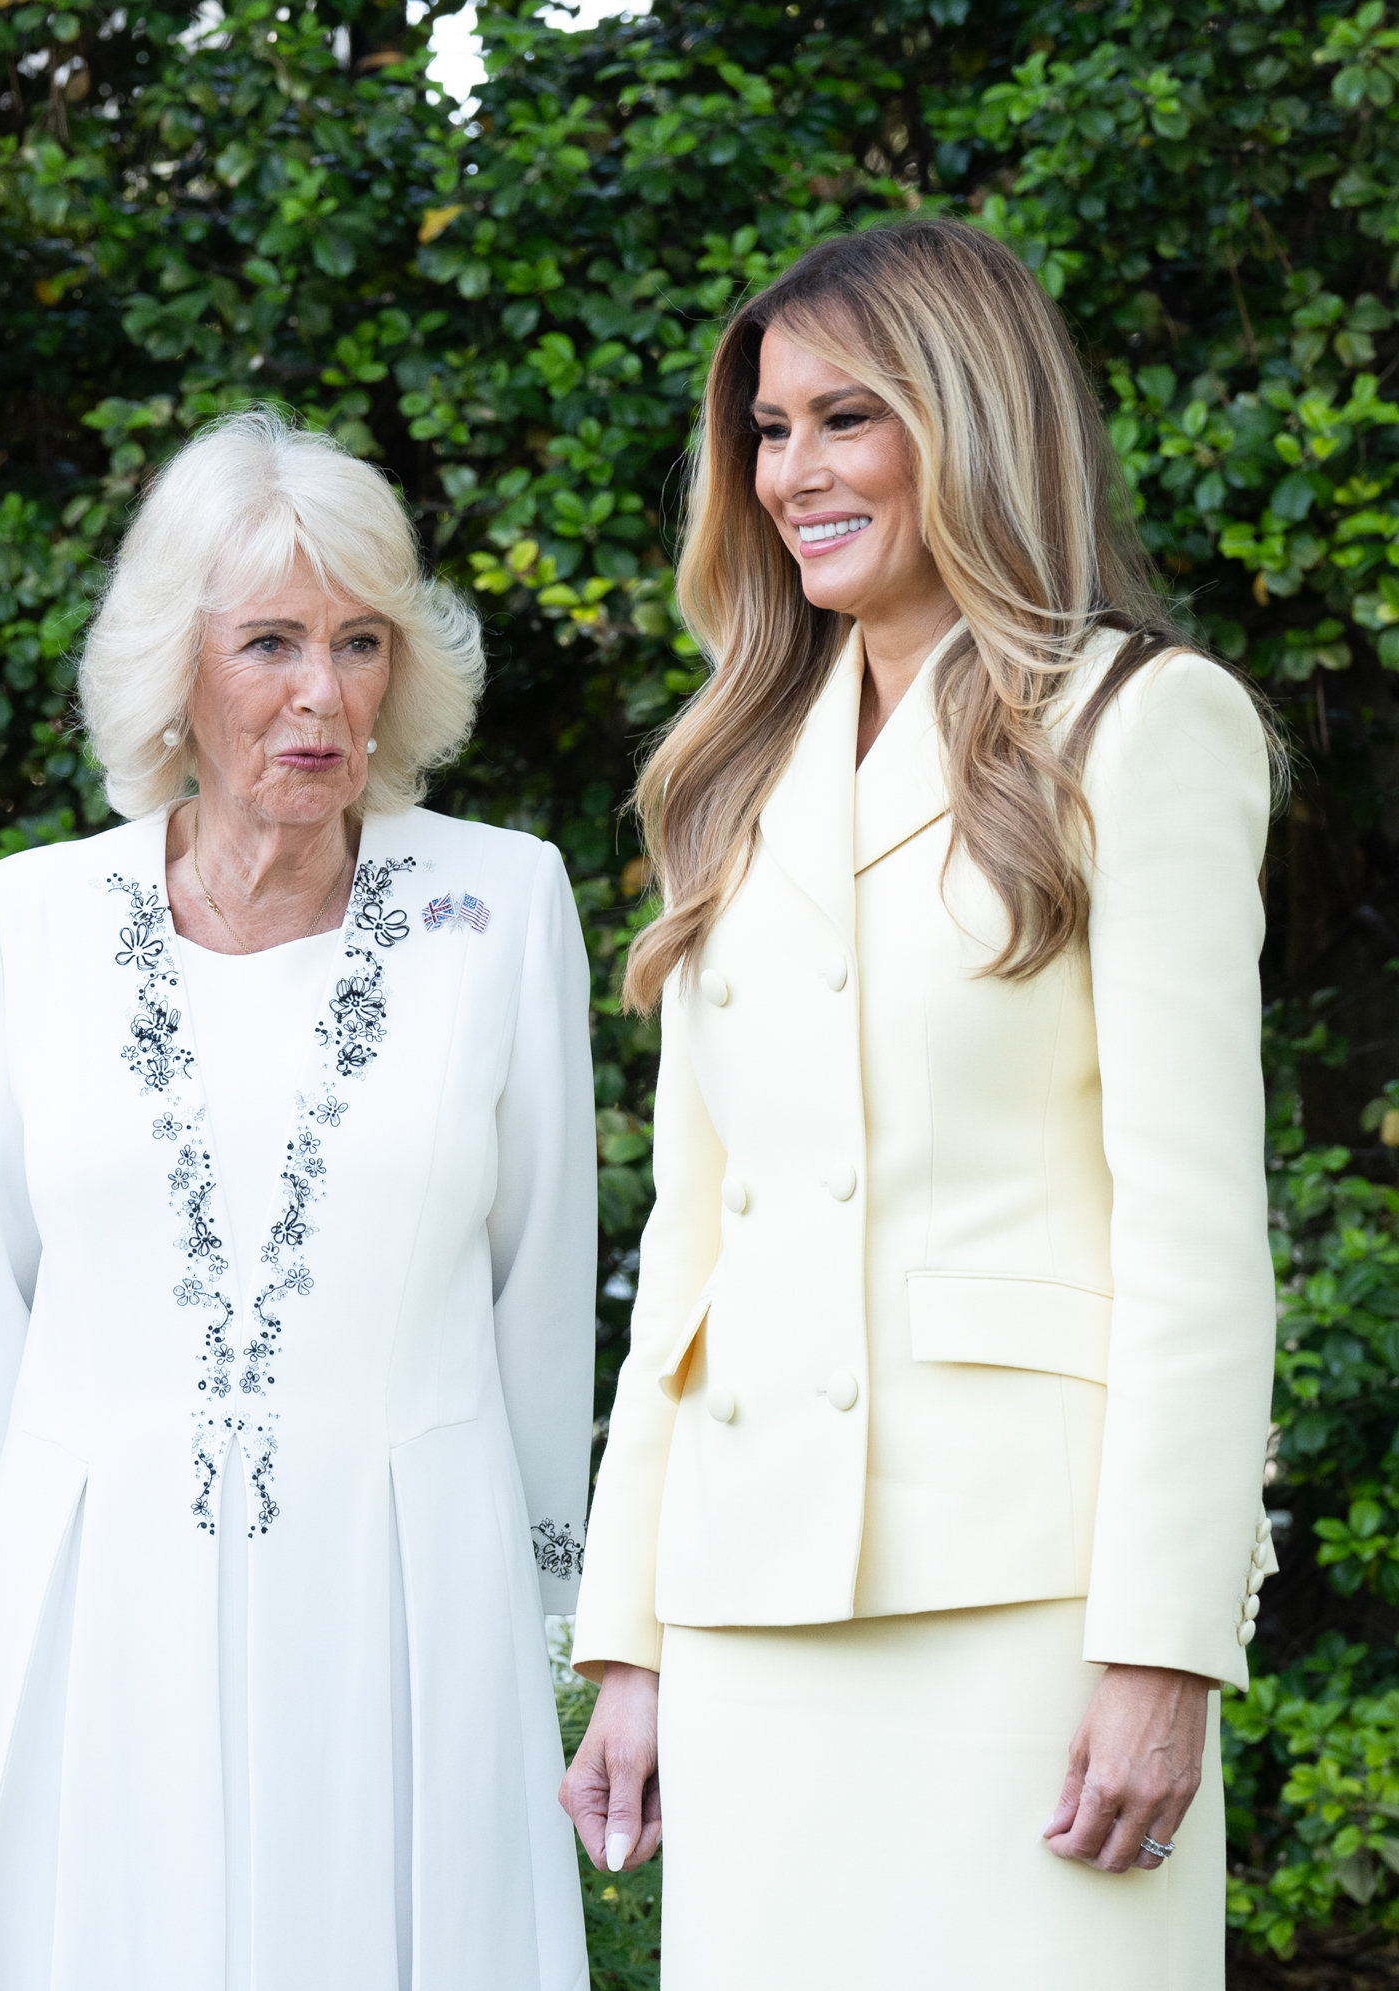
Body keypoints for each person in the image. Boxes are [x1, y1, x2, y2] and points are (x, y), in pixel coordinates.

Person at [561, 216, 1280, 1986]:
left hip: (1034, 1608)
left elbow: (1196, 1231)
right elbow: (694, 1249)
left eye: (843, 419)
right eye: (766, 429)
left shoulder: (1143, 725)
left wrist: (1166, 1645)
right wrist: (629, 1638)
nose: (790, 471)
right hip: (747, 1607)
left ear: (967, 421)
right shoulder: (726, 774)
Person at [0, 409, 596, 1990]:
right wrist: (25, 1584)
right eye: (272, 643)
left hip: (411, 1605)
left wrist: (546, 1617)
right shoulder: (32, 917)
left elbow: (544, 1288)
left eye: (362, 643)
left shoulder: (502, 903)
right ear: (178, 665)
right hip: (102, 1609)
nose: (323, 693)